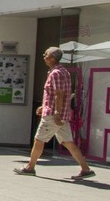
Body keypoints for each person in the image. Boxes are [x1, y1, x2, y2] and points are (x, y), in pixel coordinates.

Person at [15, 46, 95, 180]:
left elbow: (59, 94)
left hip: (54, 115)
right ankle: (86, 169)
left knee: (39, 140)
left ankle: (30, 167)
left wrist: (56, 112)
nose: (44, 57)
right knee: (67, 142)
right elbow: (55, 94)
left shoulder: (56, 73)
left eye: (46, 55)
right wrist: (44, 105)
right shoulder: (63, 72)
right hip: (60, 113)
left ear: (52, 58)